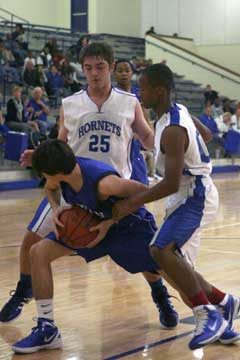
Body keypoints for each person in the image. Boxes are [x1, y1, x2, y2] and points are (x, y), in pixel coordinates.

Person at [0, 42, 178, 330]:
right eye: (88, 68)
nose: (94, 73)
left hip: (112, 190)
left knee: (144, 253)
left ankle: (160, 295)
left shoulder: (128, 101)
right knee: (31, 242)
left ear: (110, 67)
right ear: (82, 70)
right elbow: (60, 143)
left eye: (100, 67)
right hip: (72, 186)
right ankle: (24, 290)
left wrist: (171, 142)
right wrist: (40, 153)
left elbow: (147, 137)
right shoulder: (70, 104)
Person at [112, 63, 240, 350]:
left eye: (143, 87)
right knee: (175, 266)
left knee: (160, 250)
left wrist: (132, 202)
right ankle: (224, 303)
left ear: (159, 90)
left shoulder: (171, 129)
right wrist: (192, 145)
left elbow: (170, 183)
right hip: (186, 192)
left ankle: (207, 314)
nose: (139, 92)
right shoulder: (177, 112)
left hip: (193, 193)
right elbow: (206, 135)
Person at [12, 139, 164, 353]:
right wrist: (56, 208)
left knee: (170, 271)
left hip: (127, 227)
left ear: (55, 171)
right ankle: (47, 328)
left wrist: (110, 221)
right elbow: (51, 188)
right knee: (38, 251)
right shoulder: (62, 174)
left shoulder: (106, 183)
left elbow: (144, 191)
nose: (44, 178)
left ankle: (209, 305)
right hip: (92, 226)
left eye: (44, 174)